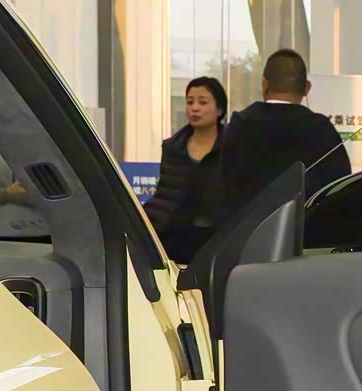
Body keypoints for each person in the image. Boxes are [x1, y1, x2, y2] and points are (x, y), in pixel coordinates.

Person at [220, 48, 350, 221]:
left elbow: (222, 189)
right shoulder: (321, 130)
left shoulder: (239, 125)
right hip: (305, 232)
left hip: (247, 232)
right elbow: (340, 191)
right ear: (306, 88)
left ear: (264, 84)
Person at [145, 75, 227, 263]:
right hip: (175, 238)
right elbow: (164, 195)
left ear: (219, 109)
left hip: (217, 239)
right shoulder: (172, 148)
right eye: (190, 102)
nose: (194, 108)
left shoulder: (232, 147)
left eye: (203, 102)